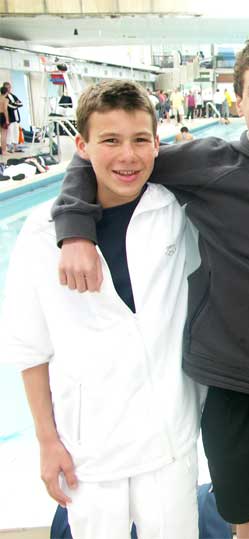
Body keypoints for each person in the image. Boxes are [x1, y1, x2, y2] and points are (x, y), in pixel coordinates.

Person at [50, 36, 249, 539]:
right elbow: (103, 157)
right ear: (239, 100)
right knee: (247, 515)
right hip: (230, 382)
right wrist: (76, 229)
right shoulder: (209, 161)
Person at [0, 80, 202, 539]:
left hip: (169, 442)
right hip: (89, 451)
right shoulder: (40, 233)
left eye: (140, 140)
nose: (127, 156)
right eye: (110, 140)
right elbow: (30, 347)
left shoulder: (174, 212)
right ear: (82, 146)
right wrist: (47, 441)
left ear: (157, 144)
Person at [3, 81, 22, 153]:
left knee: (16, 132)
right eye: (7, 88)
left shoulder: (13, 95)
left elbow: (20, 103)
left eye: (9, 87)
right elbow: (10, 106)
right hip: (10, 117)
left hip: (16, 116)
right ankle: (8, 147)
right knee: (9, 132)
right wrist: (15, 104)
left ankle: (15, 147)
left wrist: (15, 104)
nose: (8, 89)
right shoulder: (4, 97)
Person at [0, 85, 8, 157]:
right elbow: (5, 110)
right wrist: (7, 120)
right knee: (3, 135)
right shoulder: (5, 100)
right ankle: (4, 151)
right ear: (6, 92)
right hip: (2, 116)